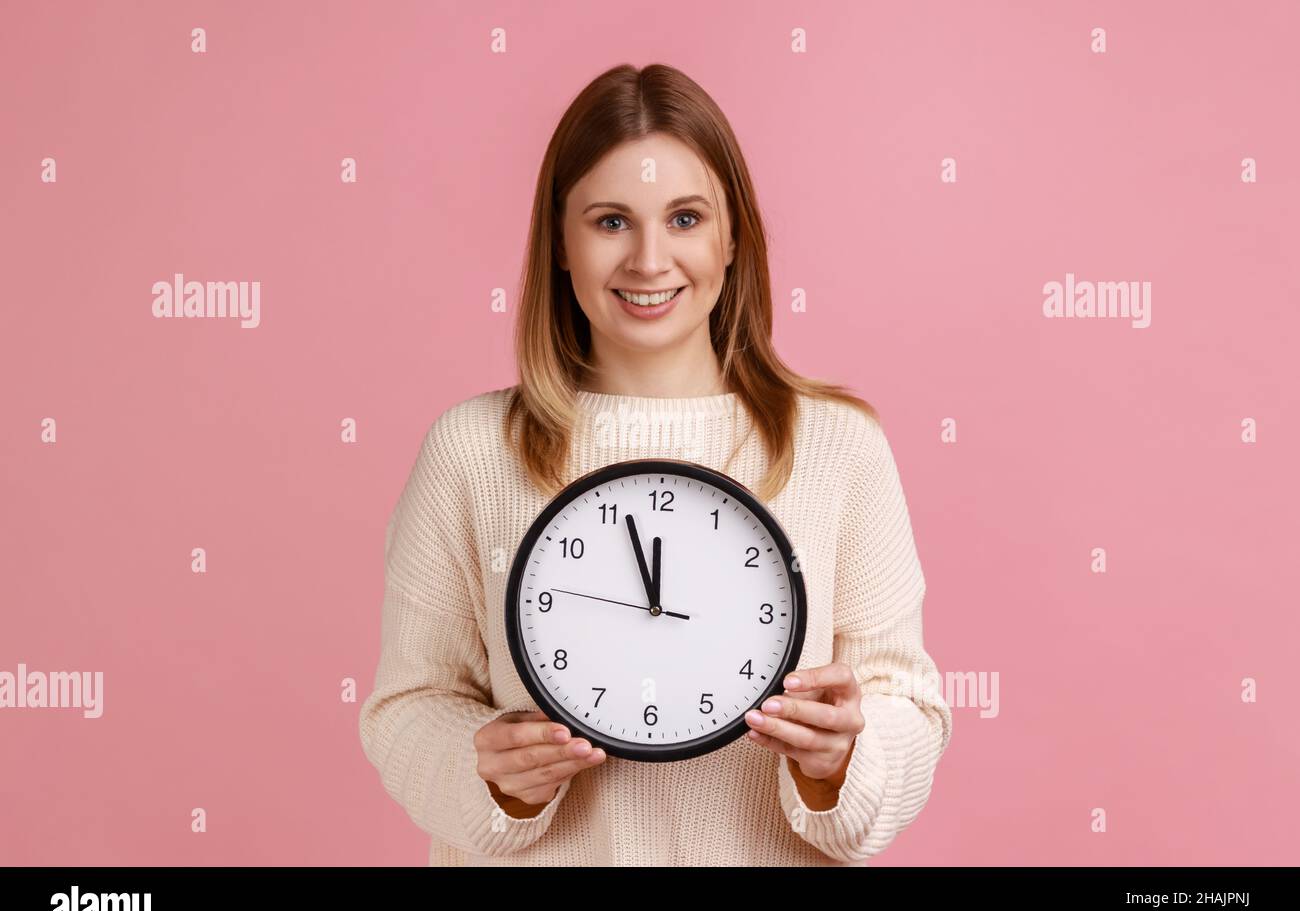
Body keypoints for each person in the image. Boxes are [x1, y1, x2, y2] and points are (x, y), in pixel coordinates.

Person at [359, 63, 952, 866]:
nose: (648, 259)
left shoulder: (837, 446)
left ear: (732, 236)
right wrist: (494, 777)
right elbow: (408, 705)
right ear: (561, 244)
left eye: (684, 218)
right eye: (610, 221)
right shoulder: (472, 452)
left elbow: (906, 702)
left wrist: (842, 759)